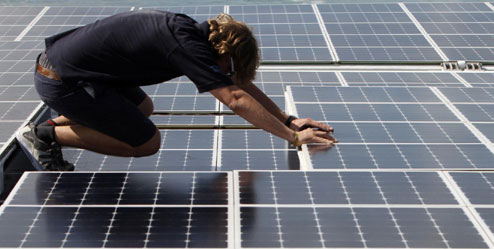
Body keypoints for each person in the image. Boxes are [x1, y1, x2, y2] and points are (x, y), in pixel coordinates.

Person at [19, 10, 336, 171]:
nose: (230, 75)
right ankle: (45, 136)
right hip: (62, 79)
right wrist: (292, 138)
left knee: (143, 109)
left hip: (76, 72)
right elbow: (236, 98)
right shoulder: (185, 45)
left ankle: (48, 126)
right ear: (222, 54)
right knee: (147, 141)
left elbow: (239, 85)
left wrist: (289, 119)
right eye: (230, 67)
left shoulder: (191, 34)